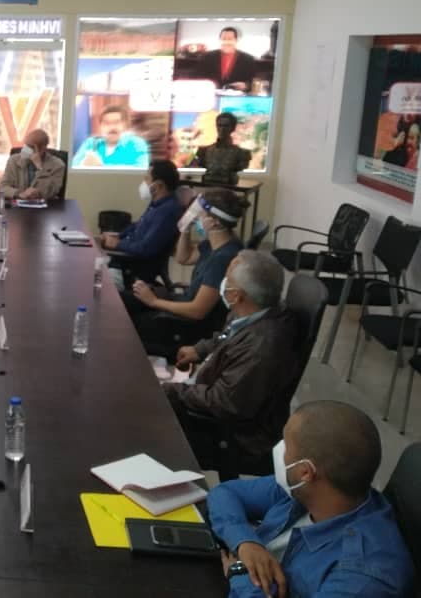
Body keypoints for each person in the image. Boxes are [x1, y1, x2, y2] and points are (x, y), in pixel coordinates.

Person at [209, 400, 414, 598]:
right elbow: (225, 493)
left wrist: (242, 572)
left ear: (305, 472)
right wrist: (246, 542)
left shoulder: (361, 579)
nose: (280, 450)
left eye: (286, 446)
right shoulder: (312, 489)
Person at [165, 251, 301, 467]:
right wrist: (200, 349)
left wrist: (172, 391)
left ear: (237, 295)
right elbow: (228, 336)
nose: (223, 282)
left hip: (231, 435)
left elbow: (222, 402)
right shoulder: (254, 311)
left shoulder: (261, 347)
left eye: (227, 279)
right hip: (212, 391)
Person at [124, 188, 247, 353]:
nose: (196, 217)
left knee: (127, 324)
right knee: (126, 300)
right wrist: (185, 228)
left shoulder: (223, 258)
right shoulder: (216, 244)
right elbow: (184, 257)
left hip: (191, 328)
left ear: (214, 222)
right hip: (183, 305)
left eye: (199, 214)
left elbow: (198, 311)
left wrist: (154, 302)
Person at [101, 161, 182, 286]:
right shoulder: (157, 205)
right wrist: (118, 236)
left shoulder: (167, 211)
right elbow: (138, 225)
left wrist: (117, 244)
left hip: (132, 270)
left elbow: (145, 248)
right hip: (125, 260)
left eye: (147, 178)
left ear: (159, 185)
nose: (144, 182)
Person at [72, 104, 150, 167]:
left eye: (117, 122)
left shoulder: (137, 143)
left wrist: (101, 167)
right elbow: (73, 167)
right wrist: (83, 164)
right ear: (100, 127)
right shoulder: (91, 143)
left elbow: (141, 169)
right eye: (107, 123)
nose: (112, 127)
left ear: (125, 125)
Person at [0, 129, 66, 201]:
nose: (25, 149)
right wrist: (20, 194)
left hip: (45, 206)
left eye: (30, 146)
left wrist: (40, 168)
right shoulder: (14, 160)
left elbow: (48, 193)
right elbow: (2, 188)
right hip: (18, 205)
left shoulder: (58, 165)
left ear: (43, 149)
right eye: (25, 145)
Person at [192, 112, 252, 186]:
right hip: (208, 186)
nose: (222, 129)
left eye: (226, 126)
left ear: (233, 128)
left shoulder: (242, 153)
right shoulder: (203, 151)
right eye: (219, 125)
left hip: (229, 187)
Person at [198, 27, 257, 92]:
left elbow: (252, 83)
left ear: (236, 40)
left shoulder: (248, 59)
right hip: (211, 94)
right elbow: (199, 79)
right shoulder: (207, 57)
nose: (226, 42)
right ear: (219, 40)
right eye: (223, 39)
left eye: (230, 39)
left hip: (237, 96)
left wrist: (245, 85)